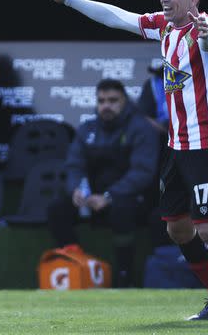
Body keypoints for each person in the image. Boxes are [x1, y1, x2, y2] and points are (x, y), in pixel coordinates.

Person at [30, 0, 208, 322]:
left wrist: (205, 31)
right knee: (177, 227)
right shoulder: (164, 28)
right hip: (179, 147)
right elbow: (117, 16)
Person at [47, 79, 159, 287]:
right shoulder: (87, 129)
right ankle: (78, 264)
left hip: (130, 198)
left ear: (125, 101)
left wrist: (109, 196)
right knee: (57, 209)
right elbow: (74, 165)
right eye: (101, 101)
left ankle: (124, 276)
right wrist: (77, 189)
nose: (106, 106)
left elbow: (143, 173)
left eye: (113, 100)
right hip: (92, 199)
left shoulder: (141, 128)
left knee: (122, 210)